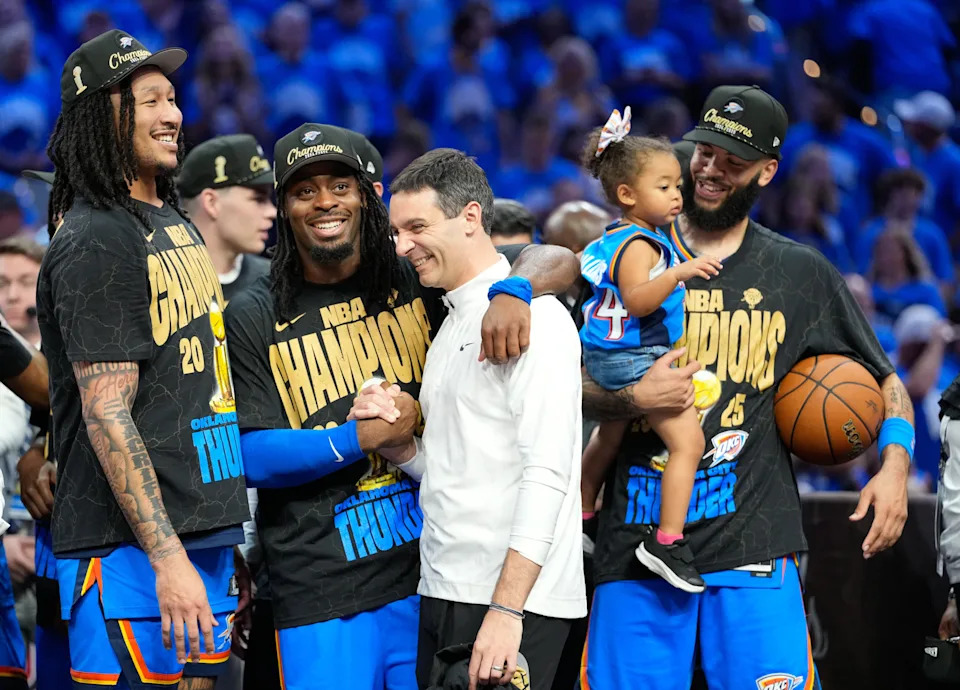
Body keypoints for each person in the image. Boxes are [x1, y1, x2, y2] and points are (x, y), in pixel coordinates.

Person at [579, 85, 913, 689]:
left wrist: (893, 466)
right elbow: (570, 381)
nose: (709, 169)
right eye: (704, 151)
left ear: (767, 171)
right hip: (636, 545)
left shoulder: (799, 272)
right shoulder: (628, 249)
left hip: (755, 545)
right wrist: (632, 399)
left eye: (733, 160)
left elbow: (885, 378)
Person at [224, 123, 578, 690]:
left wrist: (515, 292)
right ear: (284, 206)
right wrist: (358, 439)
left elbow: (551, 254)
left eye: (339, 185)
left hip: (428, 578)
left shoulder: (421, 277)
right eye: (302, 190)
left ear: (368, 196)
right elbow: (246, 453)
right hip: (320, 587)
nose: (323, 202)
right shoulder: (252, 311)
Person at [37, 30, 250, 689]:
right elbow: (106, 413)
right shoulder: (97, 235)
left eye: (174, 98)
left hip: (198, 543)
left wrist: (216, 539)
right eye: (151, 100)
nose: (173, 115)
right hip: (130, 556)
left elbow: (190, 388)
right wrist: (167, 558)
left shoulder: (171, 219)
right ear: (104, 115)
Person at [356, 148, 586, 689]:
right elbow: (460, 469)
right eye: (395, 230)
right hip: (446, 587)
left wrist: (508, 612)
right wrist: (399, 447)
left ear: (471, 219)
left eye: (417, 227)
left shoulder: (536, 321)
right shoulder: (452, 325)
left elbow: (547, 473)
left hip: (508, 603)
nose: (402, 245)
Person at [578, 107, 721, 592]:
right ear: (627, 195)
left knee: (610, 436)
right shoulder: (642, 245)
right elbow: (638, 302)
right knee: (689, 443)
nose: (678, 194)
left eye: (677, 185)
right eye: (665, 187)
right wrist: (679, 272)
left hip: (605, 353)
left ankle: (580, 512)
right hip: (630, 358)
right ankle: (667, 540)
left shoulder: (617, 235)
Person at [178, 134, 276, 305]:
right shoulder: (162, 283)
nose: (272, 212)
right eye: (258, 199)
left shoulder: (274, 281)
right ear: (211, 202)